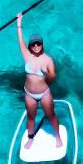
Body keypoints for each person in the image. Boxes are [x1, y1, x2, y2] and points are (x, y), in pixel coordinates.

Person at [16, 12, 62, 150]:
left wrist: (45, 71)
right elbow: (20, 40)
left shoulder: (48, 60)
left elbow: (53, 79)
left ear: (42, 44)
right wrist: (19, 22)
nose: (36, 46)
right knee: (31, 117)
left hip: (44, 93)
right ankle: (31, 138)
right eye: (33, 44)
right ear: (30, 46)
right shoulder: (27, 56)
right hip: (29, 93)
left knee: (51, 115)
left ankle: (58, 137)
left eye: (38, 44)